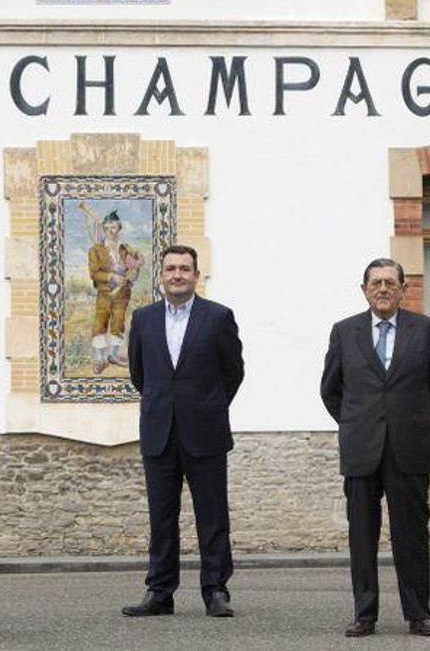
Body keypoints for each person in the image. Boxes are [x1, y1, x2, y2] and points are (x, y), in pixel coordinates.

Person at [319, 258, 430, 638]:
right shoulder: (344, 332)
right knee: (362, 535)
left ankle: (418, 614)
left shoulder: (424, 330)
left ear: (403, 289)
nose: (383, 289)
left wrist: (415, 424)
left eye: (391, 282)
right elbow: (331, 390)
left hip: (409, 449)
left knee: (412, 535)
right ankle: (365, 614)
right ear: (364, 289)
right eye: (375, 282)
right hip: (362, 449)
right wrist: (357, 423)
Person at [121, 245, 244, 618]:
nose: (177, 275)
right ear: (161, 274)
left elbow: (233, 372)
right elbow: (139, 373)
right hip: (160, 431)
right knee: (161, 516)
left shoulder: (219, 317)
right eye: (171, 268)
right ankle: (159, 591)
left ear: (196, 275)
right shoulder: (143, 319)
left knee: (212, 515)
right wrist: (165, 405)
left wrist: (207, 405)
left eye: (184, 269)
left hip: (205, 430)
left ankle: (215, 590)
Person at [82, 204, 142, 374]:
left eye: (113, 227)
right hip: (105, 293)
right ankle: (100, 360)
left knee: (118, 323)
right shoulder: (96, 250)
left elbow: (133, 271)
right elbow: (94, 274)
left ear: (119, 228)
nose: (110, 231)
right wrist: (112, 277)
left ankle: (113, 356)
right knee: (100, 324)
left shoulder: (126, 249)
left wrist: (134, 270)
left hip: (123, 293)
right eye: (107, 228)